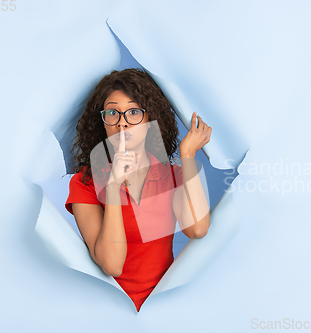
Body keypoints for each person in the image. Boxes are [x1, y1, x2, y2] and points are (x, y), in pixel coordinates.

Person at [65, 68, 211, 311]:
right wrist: (113, 186)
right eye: (112, 112)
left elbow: (197, 229)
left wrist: (187, 154)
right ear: (102, 122)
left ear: (150, 120)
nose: (122, 122)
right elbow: (112, 265)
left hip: (164, 308)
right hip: (107, 310)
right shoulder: (85, 182)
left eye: (134, 112)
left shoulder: (171, 175)